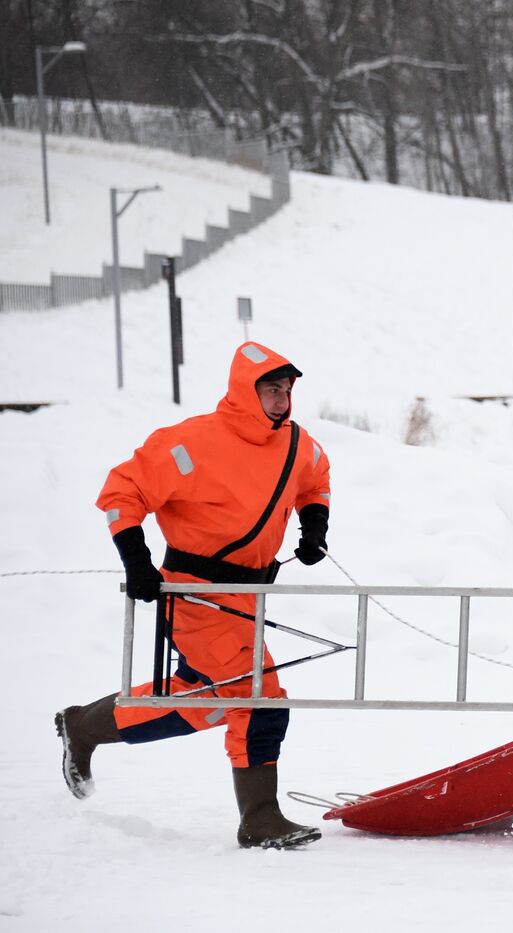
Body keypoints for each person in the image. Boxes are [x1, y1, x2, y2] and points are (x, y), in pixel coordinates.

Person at [55, 341, 332, 849]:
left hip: (248, 598)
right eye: (271, 389)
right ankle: (260, 819)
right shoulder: (191, 443)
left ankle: (84, 726)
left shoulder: (297, 445)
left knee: (206, 702)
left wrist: (315, 526)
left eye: (287, 390)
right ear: (246, 391)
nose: (281, 399)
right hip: (195, 596)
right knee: (259, 698)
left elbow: (315, 480)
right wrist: (137, 561)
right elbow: (122, 491)